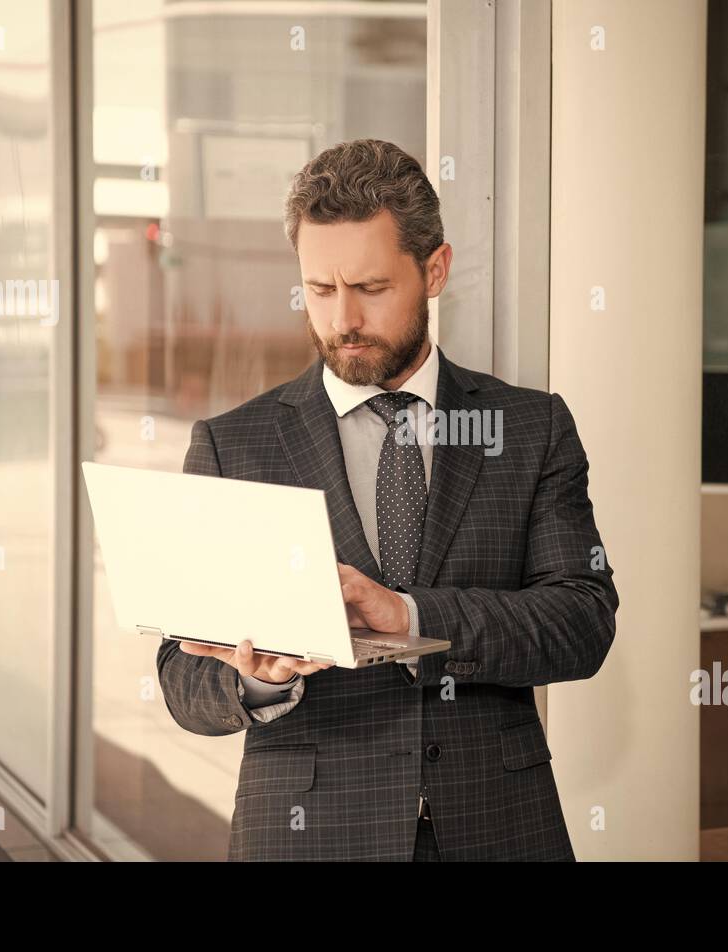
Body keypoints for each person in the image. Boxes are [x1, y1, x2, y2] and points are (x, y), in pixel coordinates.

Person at [157, 138, 617, 861]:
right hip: (309, 838)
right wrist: (254, 678)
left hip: (498, 828)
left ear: (435, 270)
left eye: (371, 289)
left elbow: (583, 621)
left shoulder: (531, 428)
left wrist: (410, 617)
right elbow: (182, 675)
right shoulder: (231, 446)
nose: (343, 319)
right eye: (319, 289)